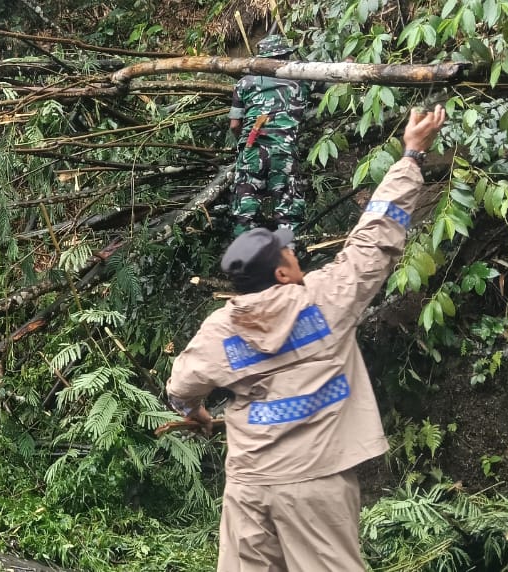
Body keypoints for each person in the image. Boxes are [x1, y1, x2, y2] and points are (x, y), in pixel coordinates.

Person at [166, 105, 447, 570]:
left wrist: (193, 412)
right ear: (282, 271)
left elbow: (180, 387)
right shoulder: (326, 301)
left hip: (249, 483)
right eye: (291, 253)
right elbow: (374, 238)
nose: (298, 255)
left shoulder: (221, 328)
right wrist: (412, 156)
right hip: (316, 482)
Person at [228, 34, 315, 235]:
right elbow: (333, 84)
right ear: (285, 56)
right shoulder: (301, 79)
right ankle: (288, 257)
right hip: (283, 150)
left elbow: (234, 125)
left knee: (245, 211)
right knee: (287, 211)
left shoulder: (245, 83)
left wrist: (245, 144)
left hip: (252, 148)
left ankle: (244, 259)